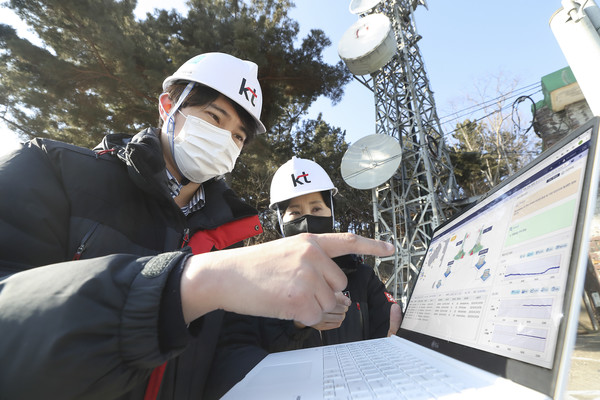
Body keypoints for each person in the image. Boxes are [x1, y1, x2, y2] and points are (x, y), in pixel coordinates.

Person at [0, 53, 395, 400]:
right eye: (214, 117)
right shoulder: (50, 171)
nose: (226, 139)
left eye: (238, 136)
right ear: (167, 105)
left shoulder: (231, 241)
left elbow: (233, 351)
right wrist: (186, 286)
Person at [204, 156, 402, 398]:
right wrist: (296, 323)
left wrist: (398, 334)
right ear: (280, 223)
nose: (307, 219)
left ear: (331, 213)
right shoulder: (259, 282)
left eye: (317, 208)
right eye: (294, 212)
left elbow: (386, 332)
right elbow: (243, 353)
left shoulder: (362, 275)